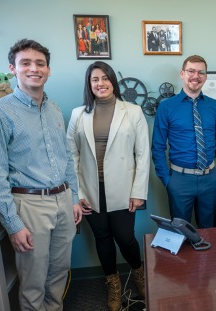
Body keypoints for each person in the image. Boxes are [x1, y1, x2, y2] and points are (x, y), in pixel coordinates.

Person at [0, 39, 82, 310]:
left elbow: (66, 158)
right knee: (34, 281)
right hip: (30, 205)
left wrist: (73, 198)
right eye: (25, 63)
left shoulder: (54, 108)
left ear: (48, 70)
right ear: (13, 69)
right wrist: (13, 224)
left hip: (63, 201)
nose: (33, 69)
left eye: (40, 63)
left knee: (59, 273)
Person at [66, 61, 149, 310]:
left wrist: (138, 193)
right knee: (102, 238)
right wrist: (77, 194)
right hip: (90, 190)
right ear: (89, 85)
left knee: (125, 238)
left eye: (105, 78)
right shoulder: (78, 114)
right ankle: (113, 285)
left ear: (112, 80)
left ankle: (139, 274)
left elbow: (143, 154)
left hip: (124, 189)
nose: (100, 83)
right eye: (95, 80)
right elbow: (71, 156)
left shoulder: (133, 111)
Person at [152, 55, 216, 228]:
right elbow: (157, 147)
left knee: (210, 231)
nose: (196, 76)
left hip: (210, 179)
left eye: (201, 72)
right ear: (182, 74)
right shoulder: (167, 107)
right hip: (179, 180)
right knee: (180, 232)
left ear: (205, 76)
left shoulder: (214, 106)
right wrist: (167, 180)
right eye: (191, 71)